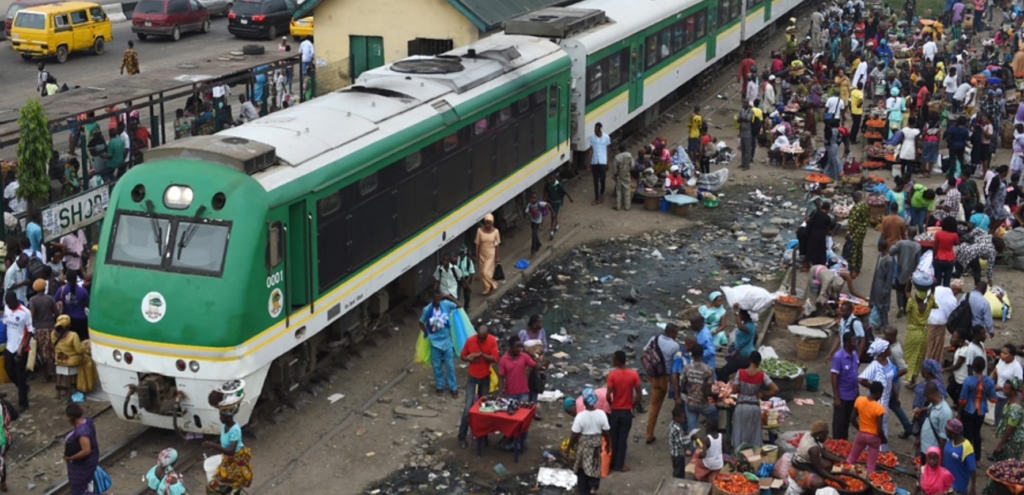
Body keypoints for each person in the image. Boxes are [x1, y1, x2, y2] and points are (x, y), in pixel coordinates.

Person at [203, 389, 253, 495]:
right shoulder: (225, 426)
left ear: (228, 416)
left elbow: (231, 451)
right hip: (228, 461)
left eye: (222, 416)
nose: (220, 418)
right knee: (214, 487)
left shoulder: (235, 429)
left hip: (236, 462)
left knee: (228, 489)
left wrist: (213, 445)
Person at [457, 324, 497, 449]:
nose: (480, 340)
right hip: (472, 378)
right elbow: (462, 356)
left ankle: (483, 436)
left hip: (485, 377)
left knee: (483, 408)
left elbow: (494, 358)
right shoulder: (470, 341)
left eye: (483, 339)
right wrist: (469, 358)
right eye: (479, 338)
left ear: (487, 336)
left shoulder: (492, 340)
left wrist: (481, 354)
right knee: (468, 408)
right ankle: (461, 436)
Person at [567, 388, 611, 495]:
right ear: (594, 400)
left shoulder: (580, 416)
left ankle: (583, 490)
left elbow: (574, 435)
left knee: (582, 469)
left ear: (584, 402)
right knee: (595, 466)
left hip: (584, 446)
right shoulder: (601, 414)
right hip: (596, 445)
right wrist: (608, 444)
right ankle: (593, 487)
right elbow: (606, 431)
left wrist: (569, 447)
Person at [730, 351, 778, 449]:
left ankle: (739, 455)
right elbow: (775, 389)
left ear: (749, 360)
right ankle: (753, 456)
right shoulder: (762, 375)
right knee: (753, 435)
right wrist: (763, 393)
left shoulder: (740, 372)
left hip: (741, 407)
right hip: (754, 408)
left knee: (739, 432)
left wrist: (738, 388)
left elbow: (734, 391)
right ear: (759, 363)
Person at [789, 420, 851, 493]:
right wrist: (837, 480)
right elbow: (819, 469)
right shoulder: (813, 449)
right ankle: (812, 489)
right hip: (800, 466)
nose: (826, 438)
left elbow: (822, 452)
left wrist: (838, 459)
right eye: (824, 436)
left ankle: (817, 479)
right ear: (819, 434)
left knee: (829, 463)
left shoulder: (810, 434)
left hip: (805, 461)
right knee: (820, 482)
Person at [419, 290, 461, 396]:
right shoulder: (427, 309)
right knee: (436, 365)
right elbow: (421, 322)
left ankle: (453, 387)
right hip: (434, 342)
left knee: (450, 365)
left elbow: (459, 305)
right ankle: (439, 385)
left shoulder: (446, 304)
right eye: (436, 298)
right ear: (432, 298)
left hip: (447, 340)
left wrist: (449, 296)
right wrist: (426, 333)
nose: (438, 301)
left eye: (440, 298)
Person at [645, 323, 681, 444]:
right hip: (669, 379)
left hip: (656, 376)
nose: (676, 336)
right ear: (671, 333)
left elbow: (645, 354)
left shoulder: (654, 339)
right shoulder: (675, 346)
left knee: (654, 407)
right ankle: (679, 434)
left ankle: (649, 434)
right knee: (678, 404)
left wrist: (649, 371)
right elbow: (677, 365)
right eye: (676, 333)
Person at [606, 350, 640, 472]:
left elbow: (608, 395)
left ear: (618, 361)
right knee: (623, 438)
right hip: (627, 411)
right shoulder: (633, 374)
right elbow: (639, 394)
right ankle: (620, 465)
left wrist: (611, 404)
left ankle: (611, 462)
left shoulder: (612, 375)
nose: (612, 361)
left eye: (614, 359)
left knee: (613, 437)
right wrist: (633, 405)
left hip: (615, 410)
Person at [859, 340, 896, 449]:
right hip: (877, 402)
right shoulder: (875, 365)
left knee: (883, 425)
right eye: (888, 348)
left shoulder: (888, 361)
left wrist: (895, 394)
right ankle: (874, 451)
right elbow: (861, 379)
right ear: (883, 351)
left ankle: (881, 451)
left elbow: (891, 379)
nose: (890, 350)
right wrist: (873, 388)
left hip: (886, 399)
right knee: (876, 427)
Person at [958, 356, 996, 456]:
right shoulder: (989, 381)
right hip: (981, 410)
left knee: (967, 434)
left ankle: (967, 455)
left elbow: (962, 400)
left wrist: (959, 413)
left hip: (968, 409)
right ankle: (978, 458)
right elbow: (993, 399)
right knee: (977, 433)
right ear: (984, 368)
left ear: (973, 367)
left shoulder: (968, 381)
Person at [848, 381, 888, 472]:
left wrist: (860, 429)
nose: (881, 396)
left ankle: (842, 475)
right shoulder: (879, 408)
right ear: (878, 393)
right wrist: (884, 439)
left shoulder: (859, 400)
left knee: (851, 458)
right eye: (881, 394)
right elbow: (879, 429)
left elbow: (852, 419)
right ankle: (868, 483)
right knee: (871, 465)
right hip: (873, 438)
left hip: (861, 434)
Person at [52, 315, 96, 393]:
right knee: (88, 361)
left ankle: (59, 394)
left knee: (81, 359)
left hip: (58, 359)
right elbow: (79, 350)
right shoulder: (73, 335)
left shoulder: (52, 333)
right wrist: (84, 345)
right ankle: (84, 386)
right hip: (71, 360)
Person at [3, 292, 32, 410]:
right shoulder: (6, 308)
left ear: (15, 301)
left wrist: (23, 346)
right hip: (9, 346)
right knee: (8, 370)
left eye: (10, 304)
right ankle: (24, 388)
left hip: (21, 349)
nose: (8, 306)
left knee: (20, 376)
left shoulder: (25, 312)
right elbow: (5, 325)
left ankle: (23, 403)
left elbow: (30, 332)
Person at [906, 273, 937, 381]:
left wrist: (909, 282)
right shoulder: (929, 304)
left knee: (909, 355)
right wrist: (932, 284)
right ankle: (914, 378)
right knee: (919, 356)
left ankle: (908, 376)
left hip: (912, 333)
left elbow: (907, 292)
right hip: (923, 333)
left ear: (916, 295)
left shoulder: (912, 304)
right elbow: (932, 294)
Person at [681, 343, 717, 433]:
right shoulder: (708, 370)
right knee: (714, 412)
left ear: (692, 354)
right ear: (702, 353)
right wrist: (715, 395)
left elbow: (682, 388)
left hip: (689, 403)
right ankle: (710, 436)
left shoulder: (686, 368)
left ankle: (693, 446)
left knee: (692, 432)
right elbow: (707, 392)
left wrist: (690, 392)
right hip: (703, 404)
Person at [63, 403, 98, 495]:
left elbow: (86, 450)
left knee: (80, 492)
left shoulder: (82, 432)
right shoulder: (87, 421)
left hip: (83, 465)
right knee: (87, 486)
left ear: (71, 418)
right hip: (91, 460)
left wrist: (71, 458)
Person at [831, 331, 861, 441]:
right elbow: (834, 377)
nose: (856, 343)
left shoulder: (854, 354)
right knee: (839, 421)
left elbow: (854, 373)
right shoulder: (838, 357)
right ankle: (836, 442)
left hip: (852, 394)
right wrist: (837, 397)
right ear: (847, 343)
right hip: (842, 395)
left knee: (847, 420)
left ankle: (844, 442)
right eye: (854, 341)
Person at [886, 327, 914, 437]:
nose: (885, 337)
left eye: (887, 335)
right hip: (891, 383)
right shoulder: (890, 346)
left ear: (893, 336)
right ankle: (908, 427)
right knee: (893, 405)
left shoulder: (895, 351)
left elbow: (904, 369)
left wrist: (889, 376)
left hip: (892, 383)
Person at [717, 304, 755, 381]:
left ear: (744, 316)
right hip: (747, 354)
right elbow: (756, 337)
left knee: (723, 373)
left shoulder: (749, 326)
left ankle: (727, 389)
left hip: (743, 355)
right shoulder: (751, 324)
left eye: (740, 314)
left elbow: (740, 327)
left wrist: (736, 312)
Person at [29, 279, 56, 382]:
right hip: (51, 328)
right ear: (45, 288)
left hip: (39, 329)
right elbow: (56, 312)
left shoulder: (33, 300)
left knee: (43, 353)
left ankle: (45, 376)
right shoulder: (50, 299)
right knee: (52, 351)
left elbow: (32, 315)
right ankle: (53, 373)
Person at [992, 377, 1024, 462]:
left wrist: (999, 445)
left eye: (1007, 389)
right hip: (1009, 438)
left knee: (1009, 464)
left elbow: (1010, 429)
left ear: (1014, 391)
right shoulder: (1011, 400)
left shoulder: (1015, 408)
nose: (1003, 390)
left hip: (1014, 441)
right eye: (1004, 387)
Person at [942, 418, 977, 495]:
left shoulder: (966, 447)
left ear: (953, 433)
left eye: (947, 431)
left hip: (957, 488)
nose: (946, 432)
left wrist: (973, 488)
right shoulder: (950, 441)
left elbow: (973, 470)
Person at [890, 235, 923, 317]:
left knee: (899, 290)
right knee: (907, 290)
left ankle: (900, 306)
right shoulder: (918, 246)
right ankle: (905, 309)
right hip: (910, 273)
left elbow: (891, 251)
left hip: (900, 271)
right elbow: (919, 261)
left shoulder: (901, 243)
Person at [992, 345, 1024, 427]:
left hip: (1008, 398)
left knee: (1007, 423)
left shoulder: (1016, 367)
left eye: (1005, 353)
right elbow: (995, 371)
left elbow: (1019, 386)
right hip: (999, 395)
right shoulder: (1001, 361)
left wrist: (1001, 388)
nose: (1002, 355)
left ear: (1012, 355)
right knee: (997, 419)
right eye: (1002, 352)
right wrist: (989, 380)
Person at [55, 273, 89, 342]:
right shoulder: (83, 290)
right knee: (82, 341)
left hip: (67, 321)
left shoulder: (61, 289)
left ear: (66, 279)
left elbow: (54, 301)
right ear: (76, 279)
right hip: (81, 319)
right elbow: (88, 303)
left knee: (67, 341)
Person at [871, 240, 895, 329]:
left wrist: (885, 290)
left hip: (883, 285)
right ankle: (877, 323)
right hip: (877, 283)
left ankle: (884, 325)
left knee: (883, 306)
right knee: (877, 303)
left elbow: (889, 278)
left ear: (881, 247)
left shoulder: (889, 261)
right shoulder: (879, 256)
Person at [692, 416, 724, 482]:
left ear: (708, 426)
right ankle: (712, 476)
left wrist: (699, 455)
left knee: (698, 461)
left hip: (709, 464)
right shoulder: (721, 436)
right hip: (719, 464)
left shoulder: (706, 439)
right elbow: (724, 450)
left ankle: (699, 477)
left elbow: (703, 454)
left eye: (706, 424)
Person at [475, 214, 500, 296]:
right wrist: (477, 255)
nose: (487, 225)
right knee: (482, 273)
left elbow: (496, 244)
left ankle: (492, 285)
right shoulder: (479, 231)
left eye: (489, 223)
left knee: (485, 272)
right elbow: (477, 244)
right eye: (486, 223)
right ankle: (486, 288)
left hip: (490, 253)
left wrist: (497, 256)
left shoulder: (496, 232)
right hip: (482, 253)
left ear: (492, 223)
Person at [804, 202, 834, 268]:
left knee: (810, 250)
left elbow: (809, 221)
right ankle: (820, 265)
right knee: (820, 251)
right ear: (827, 209)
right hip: (821, 236)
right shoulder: (827, 218)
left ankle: (806, 265)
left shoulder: (816, 213)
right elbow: (827, 228)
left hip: (812, 234)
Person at [587, 123, 611, 205]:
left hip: (603, 161)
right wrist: (589, 162)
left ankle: (602, 193)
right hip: (594, 161)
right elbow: (591, 150)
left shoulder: (606, 137)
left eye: (596, 129)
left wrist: (608, 162)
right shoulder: (591, 137)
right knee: (595, 181)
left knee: (603, 179)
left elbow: (608, 150)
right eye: (594, 128)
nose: (595, 130)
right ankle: (596, 198)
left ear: (600, 129)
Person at [543, 173, 573, 239]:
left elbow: (565, 191)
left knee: (553, 216)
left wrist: (570, 198)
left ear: (555, 178)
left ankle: (551, 232)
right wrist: (545, 197)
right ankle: (556, 225)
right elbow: (545, 191)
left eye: (552, 178)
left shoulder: (559, 184)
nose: (550, 180)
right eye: (549, 178)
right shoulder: (547, 184)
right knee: (553, 214)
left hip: (557, 202)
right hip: (550, 201)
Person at [610, 145, 632, 212]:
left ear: (619, 150)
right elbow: (632, 165)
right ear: (625, 149)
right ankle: (627, 207)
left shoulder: (617, 157)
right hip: (627, 175)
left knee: (618, 191)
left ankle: (618, 206)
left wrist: (615, 174)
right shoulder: (629, 155)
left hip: (619, 176)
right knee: (627, 191)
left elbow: (614, 169)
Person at [669, 405, 689, 479]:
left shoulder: (673, 424)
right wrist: (690, 439)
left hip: (673, 453)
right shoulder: (677, 428)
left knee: (677, 469)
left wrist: (684, 434)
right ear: (676, 417)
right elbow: (681, 443)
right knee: (678, 472)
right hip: (678, 454)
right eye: (682, 417)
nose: (683, 419)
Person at [454, 245, 475, 310]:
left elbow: (471, 273)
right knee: (457, 295)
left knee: (467, 295)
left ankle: (466, 308)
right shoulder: (457, 259)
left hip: (466, 279)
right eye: (460, 254)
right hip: (459, 279)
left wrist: (466, 283)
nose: (461, 255)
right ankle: (457, 308)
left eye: (463, 254)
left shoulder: (469, 261)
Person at [738, 100, 754, 170]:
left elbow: (748, 119)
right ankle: (743, 163)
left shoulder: (750, 111)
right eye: (743, 103)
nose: (744, 104)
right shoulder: (741, 110)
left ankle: (747, 165)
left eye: (745, 103)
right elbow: (738, 119)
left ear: (748, 104)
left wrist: (742, 118)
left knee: (747, 149)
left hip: (748, 132)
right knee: (743, 149)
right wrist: (742, 118)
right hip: (742, 132)